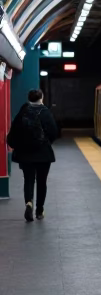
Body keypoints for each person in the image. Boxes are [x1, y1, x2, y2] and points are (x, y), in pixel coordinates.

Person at [7, 89, 59, 221]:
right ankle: (39, 210)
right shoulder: (46, 112)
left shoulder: (23, 112)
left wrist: (17, 146)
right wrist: (46, 143)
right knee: (42, 182)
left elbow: (12, 135)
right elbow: (54, 132)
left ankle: (28, 203)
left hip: (26, 155)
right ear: (41, 98)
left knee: (28, 180)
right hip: (43, 154)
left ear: (28, 98)